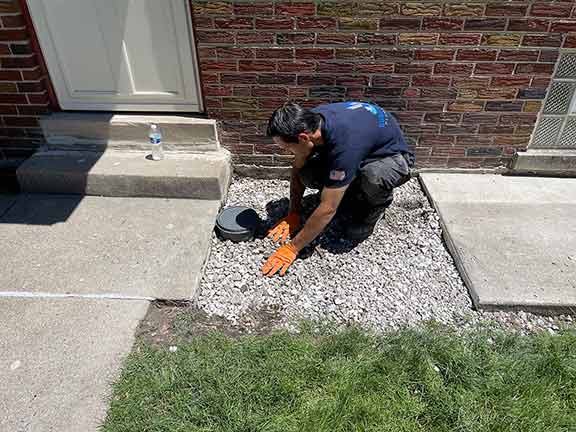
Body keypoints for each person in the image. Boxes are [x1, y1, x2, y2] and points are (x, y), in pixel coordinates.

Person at [261, 101, 415, 277]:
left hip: (391, 157)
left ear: (303, 138)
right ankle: (348, 187)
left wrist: (292, 248)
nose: (287, 151)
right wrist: (293, 213)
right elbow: (297, 167)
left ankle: (375, 208)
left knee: (373, 177)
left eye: (287, 147)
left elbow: (328, 209)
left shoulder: (345, 146)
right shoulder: (310, 120)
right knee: (307, 171)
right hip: (360, 144)